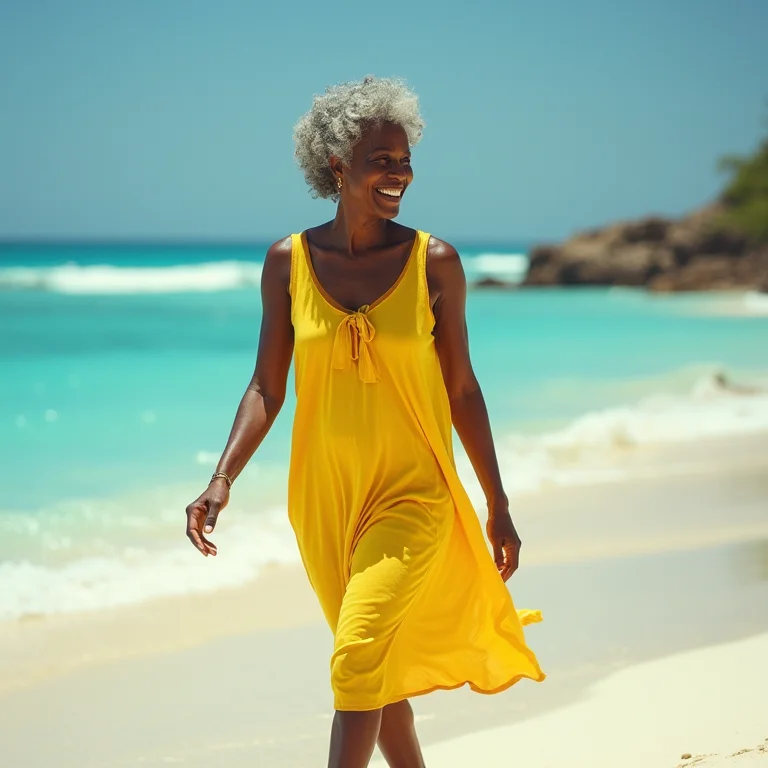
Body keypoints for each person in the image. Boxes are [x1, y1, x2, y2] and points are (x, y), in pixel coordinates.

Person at [184, 76, 544, 768]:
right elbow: (266, 386)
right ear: (338, 167)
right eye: (382, 159)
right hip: (323, 499)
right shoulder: (287, 261)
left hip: (415, 493)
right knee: (372, 671)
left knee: (352, 659)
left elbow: (462, 388)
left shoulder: (434, 261)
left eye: (404, 160)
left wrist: (497, 503)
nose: (399, 174)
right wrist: (220, 479)